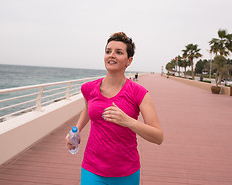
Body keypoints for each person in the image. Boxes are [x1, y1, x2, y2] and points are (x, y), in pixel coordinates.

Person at [66, 32, 163, 185]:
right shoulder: (88, 88)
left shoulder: (139, 93)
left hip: (126, 172)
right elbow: (88, 108)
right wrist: (76, 130)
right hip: (92, 169)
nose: (111, 55)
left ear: (129, 61)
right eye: (108, 51)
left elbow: (158, 137)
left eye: (119, 52)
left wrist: (128, 121)